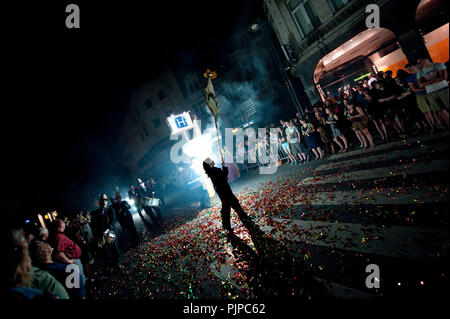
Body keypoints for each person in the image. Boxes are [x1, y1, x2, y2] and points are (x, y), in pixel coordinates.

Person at [203, 157, 254, 233]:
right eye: (211, 160)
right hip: (224, 190)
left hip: (222, 191)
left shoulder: (211, 171)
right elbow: (224, 177)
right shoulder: (215, 170)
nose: (213, 160)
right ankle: (231, 223)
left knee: (231, 205)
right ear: (209, 163)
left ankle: (237, 220)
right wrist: (224, 167)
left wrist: (223, 167)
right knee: (229, 206)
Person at [90, 193, 121, 273]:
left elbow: (113, 221)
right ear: (99, 202)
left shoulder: (110, 209)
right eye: (102, 201)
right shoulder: (96, 212)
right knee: (106, 251)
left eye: (105, 201)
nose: (104, 202)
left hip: (111, 233)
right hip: (102, 235)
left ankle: (116, 263)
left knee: (115, 249)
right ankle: (111, 265)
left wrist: (107, 230)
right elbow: (95, 224)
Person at [417, 57, 449, 128]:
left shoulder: (438, 65)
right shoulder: (420, 72)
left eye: (421, 60)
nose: (420, 63)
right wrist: (434, 80)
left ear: (427, 59)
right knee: (440, 110)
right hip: (431, 93)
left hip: (443, 89)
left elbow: (444, 77)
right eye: (419, 62)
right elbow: (421, 84)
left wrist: (427, 83)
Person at [405, 62, 437, 131]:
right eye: (408, 70)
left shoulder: (423, 72)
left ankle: (439, 124)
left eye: (410, 68)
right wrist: (426, 88)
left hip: (430, 92)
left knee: (435, 109)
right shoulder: (409, 77)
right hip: (420, 95)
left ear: (415, 66)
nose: (410, 70)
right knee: (427, 112)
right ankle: (433, 127)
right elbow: (414, 89)